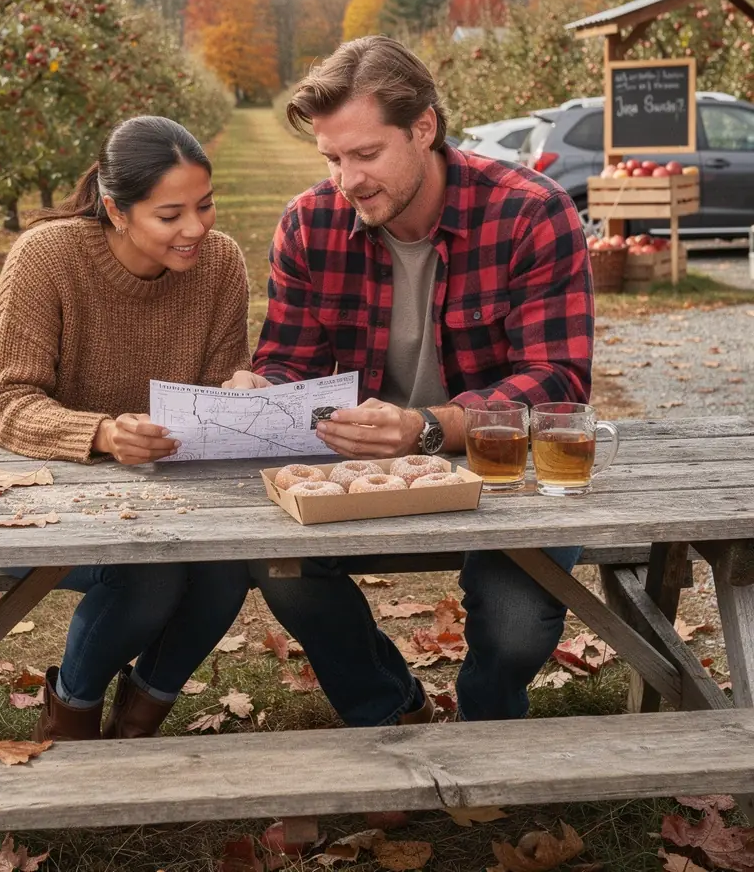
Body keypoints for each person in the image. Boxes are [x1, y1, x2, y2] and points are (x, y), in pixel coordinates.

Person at [224, 36, 594, 726]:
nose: (348, 180)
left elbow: (558, 381)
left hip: (497, 475)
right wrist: (262, 386)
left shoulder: (530, 213)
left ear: (424, 127)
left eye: (366, 155)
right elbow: (289, 362)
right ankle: (390, 709)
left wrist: (428, 427)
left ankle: (483, 722)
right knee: (278, 563)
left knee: (515, 627)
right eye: (332, 158)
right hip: (366, 474)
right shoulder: (311, 224)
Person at [0, 116, 253, 742]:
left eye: (205, 206)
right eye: (171, 216)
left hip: (152, 493)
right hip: (21, 492)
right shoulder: (46, 259)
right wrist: (102, 434)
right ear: (118, 212)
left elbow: (219, 382)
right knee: (147, 571)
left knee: (227, 568)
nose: (196, 228)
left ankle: (139, 720)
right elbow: (5, 402)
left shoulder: (220, 263)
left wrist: (239, 391)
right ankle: (72, 717)